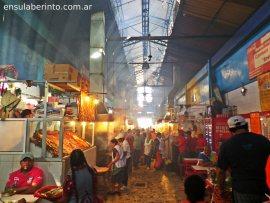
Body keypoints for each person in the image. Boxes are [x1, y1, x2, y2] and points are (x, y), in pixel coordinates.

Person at [217, 115, 270, 203]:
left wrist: (222, 190)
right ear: (246, 126)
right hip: (262, 188)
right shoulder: (262, 140)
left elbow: (221, 171)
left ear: (230, 130)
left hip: (242, 190)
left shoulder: (227, 145)